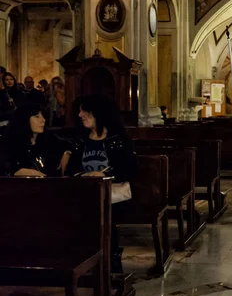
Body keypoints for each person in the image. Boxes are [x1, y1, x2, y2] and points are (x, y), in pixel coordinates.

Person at [66, 94, 136, 273]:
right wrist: (85, 173)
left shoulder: (118, 141)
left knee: (101, 211)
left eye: (85, 111)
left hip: (113, 196)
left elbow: (128, 171)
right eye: (80, 111)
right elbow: (70, 171)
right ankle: (84, 262)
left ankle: (109, 261)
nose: (80, 115)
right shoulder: (80, 141)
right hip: (85, 193)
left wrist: (106, 175)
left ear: (99, 113)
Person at [0, 103, 71, 177]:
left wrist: (67, 153)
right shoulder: (11, 143)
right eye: (37, 117)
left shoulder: (48, 138)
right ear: (25, 120)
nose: (43, 120)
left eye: (43, 116)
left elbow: (68, 144)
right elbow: (8, 169)